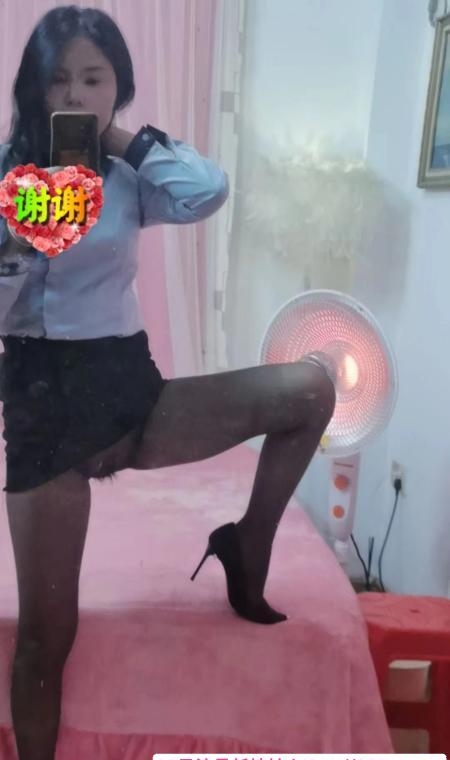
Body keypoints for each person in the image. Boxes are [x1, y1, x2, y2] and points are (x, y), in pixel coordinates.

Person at [0, 5, 336, 760]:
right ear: (33, 88)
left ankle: (247, 544)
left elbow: (206, 191)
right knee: (46, 637)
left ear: (118, 88)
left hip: (131, 394)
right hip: (44, 409)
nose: (75, 94)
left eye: (94, 79)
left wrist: (118, 141)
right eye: (59, 80)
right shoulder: (5, 179)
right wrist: (17, 245)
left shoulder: (128, 177)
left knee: (312, 390)